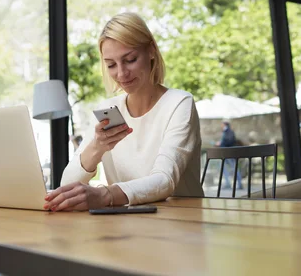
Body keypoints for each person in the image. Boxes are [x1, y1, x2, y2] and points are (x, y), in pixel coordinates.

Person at [44, 12, 204, 212]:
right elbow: (66, 183)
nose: (120, 74)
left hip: (181, 222)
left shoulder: (179, 103)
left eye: (130, 60)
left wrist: (105, 195)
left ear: (151, 51)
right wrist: (97, 147)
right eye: (111, 65)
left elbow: (164, 180)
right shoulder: (109, 109)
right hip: (126, 225)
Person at [216, 120, 243, 190]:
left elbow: (228, 141)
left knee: (234, 168)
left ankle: (238, 184)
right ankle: (230, 183)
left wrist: (221, 143)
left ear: (224, 125)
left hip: (228, 152)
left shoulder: (228, 131)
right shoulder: (228, 131)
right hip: (226, 153)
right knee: (225, 167)